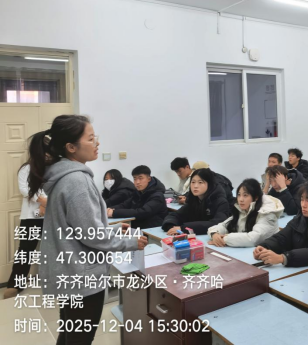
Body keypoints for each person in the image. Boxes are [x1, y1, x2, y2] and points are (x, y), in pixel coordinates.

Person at [30, 115, 147, 344]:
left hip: (69, 272)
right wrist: (131, 243)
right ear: (71, 147)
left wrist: (113, 228)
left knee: (69, 334)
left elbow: (79, 227)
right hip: (81, 277)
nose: (97, 143)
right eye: (91, 138)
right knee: (79, 338)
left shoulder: (65, 178)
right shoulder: (77, 182)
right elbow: (92, 236)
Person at [4, 162, 48, 299]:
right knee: (25, 250)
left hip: (53, 214)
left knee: (56, 248)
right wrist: (43, 201)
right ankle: (15, 284)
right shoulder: (27, 168)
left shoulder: (57, 166)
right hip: (32, 216)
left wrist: (46, 204)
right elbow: (24, 189)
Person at [207, 179, 284, 247]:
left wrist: (224, 239)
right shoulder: (243, 210)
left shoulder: (267, 214)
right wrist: (214, 234)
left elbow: (253, 239)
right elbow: (224, 226)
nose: (240, 199)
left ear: (256, 197)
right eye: (239, 195)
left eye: (245, 195)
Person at [162, 168, 230, 235]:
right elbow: (176, 215)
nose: (195, 186)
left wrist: (183, 228)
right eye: (193, 182)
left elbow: (216, 224)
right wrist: (171, 226)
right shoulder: (194, 200)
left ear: (209, 184)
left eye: (200, 182)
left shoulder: (221, 202)